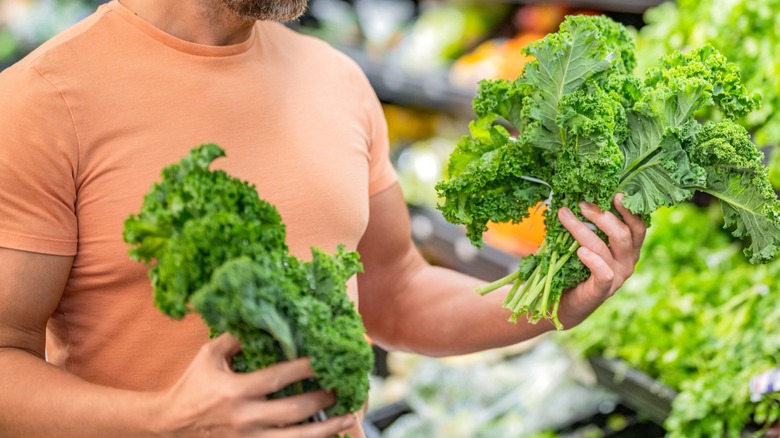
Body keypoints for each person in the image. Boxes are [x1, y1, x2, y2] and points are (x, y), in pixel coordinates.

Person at [0, 0, 646, 436]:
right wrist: (167, 418)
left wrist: (556, 296)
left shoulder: (333, 77)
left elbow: (394, 294)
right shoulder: (43, 103)